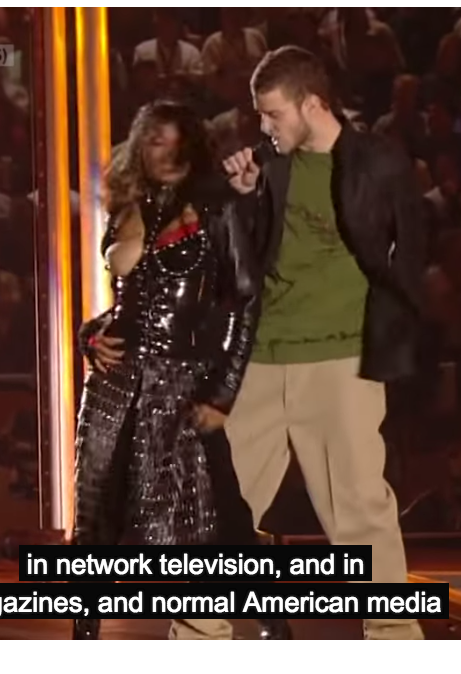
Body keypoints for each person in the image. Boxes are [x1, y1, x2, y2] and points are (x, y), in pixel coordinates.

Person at [178, 46, 427, 641]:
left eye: (273, 114)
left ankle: (394, 641)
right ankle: (195, 642)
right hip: (259, 361)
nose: (264, 126)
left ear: (312, 104)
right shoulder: (267, 165)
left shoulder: (378, 163)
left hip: (341, 360)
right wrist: (239, 196)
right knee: (217, 506)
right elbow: (227, 254)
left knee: (360, 507)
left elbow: (410, 256)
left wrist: (391, 342)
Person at [73, 100, 289, 641]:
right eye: (151, 138)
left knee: (220, 514)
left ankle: (272, 623)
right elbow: (129, 300)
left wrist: (223, 393)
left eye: (170, 138)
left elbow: (244, 302)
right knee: (98, 510)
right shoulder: (128, 205)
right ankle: (84, 633)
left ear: (189, 144)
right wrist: (88, 336)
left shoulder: (216, 208)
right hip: (115, 385)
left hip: (183, 381)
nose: (160, 148)